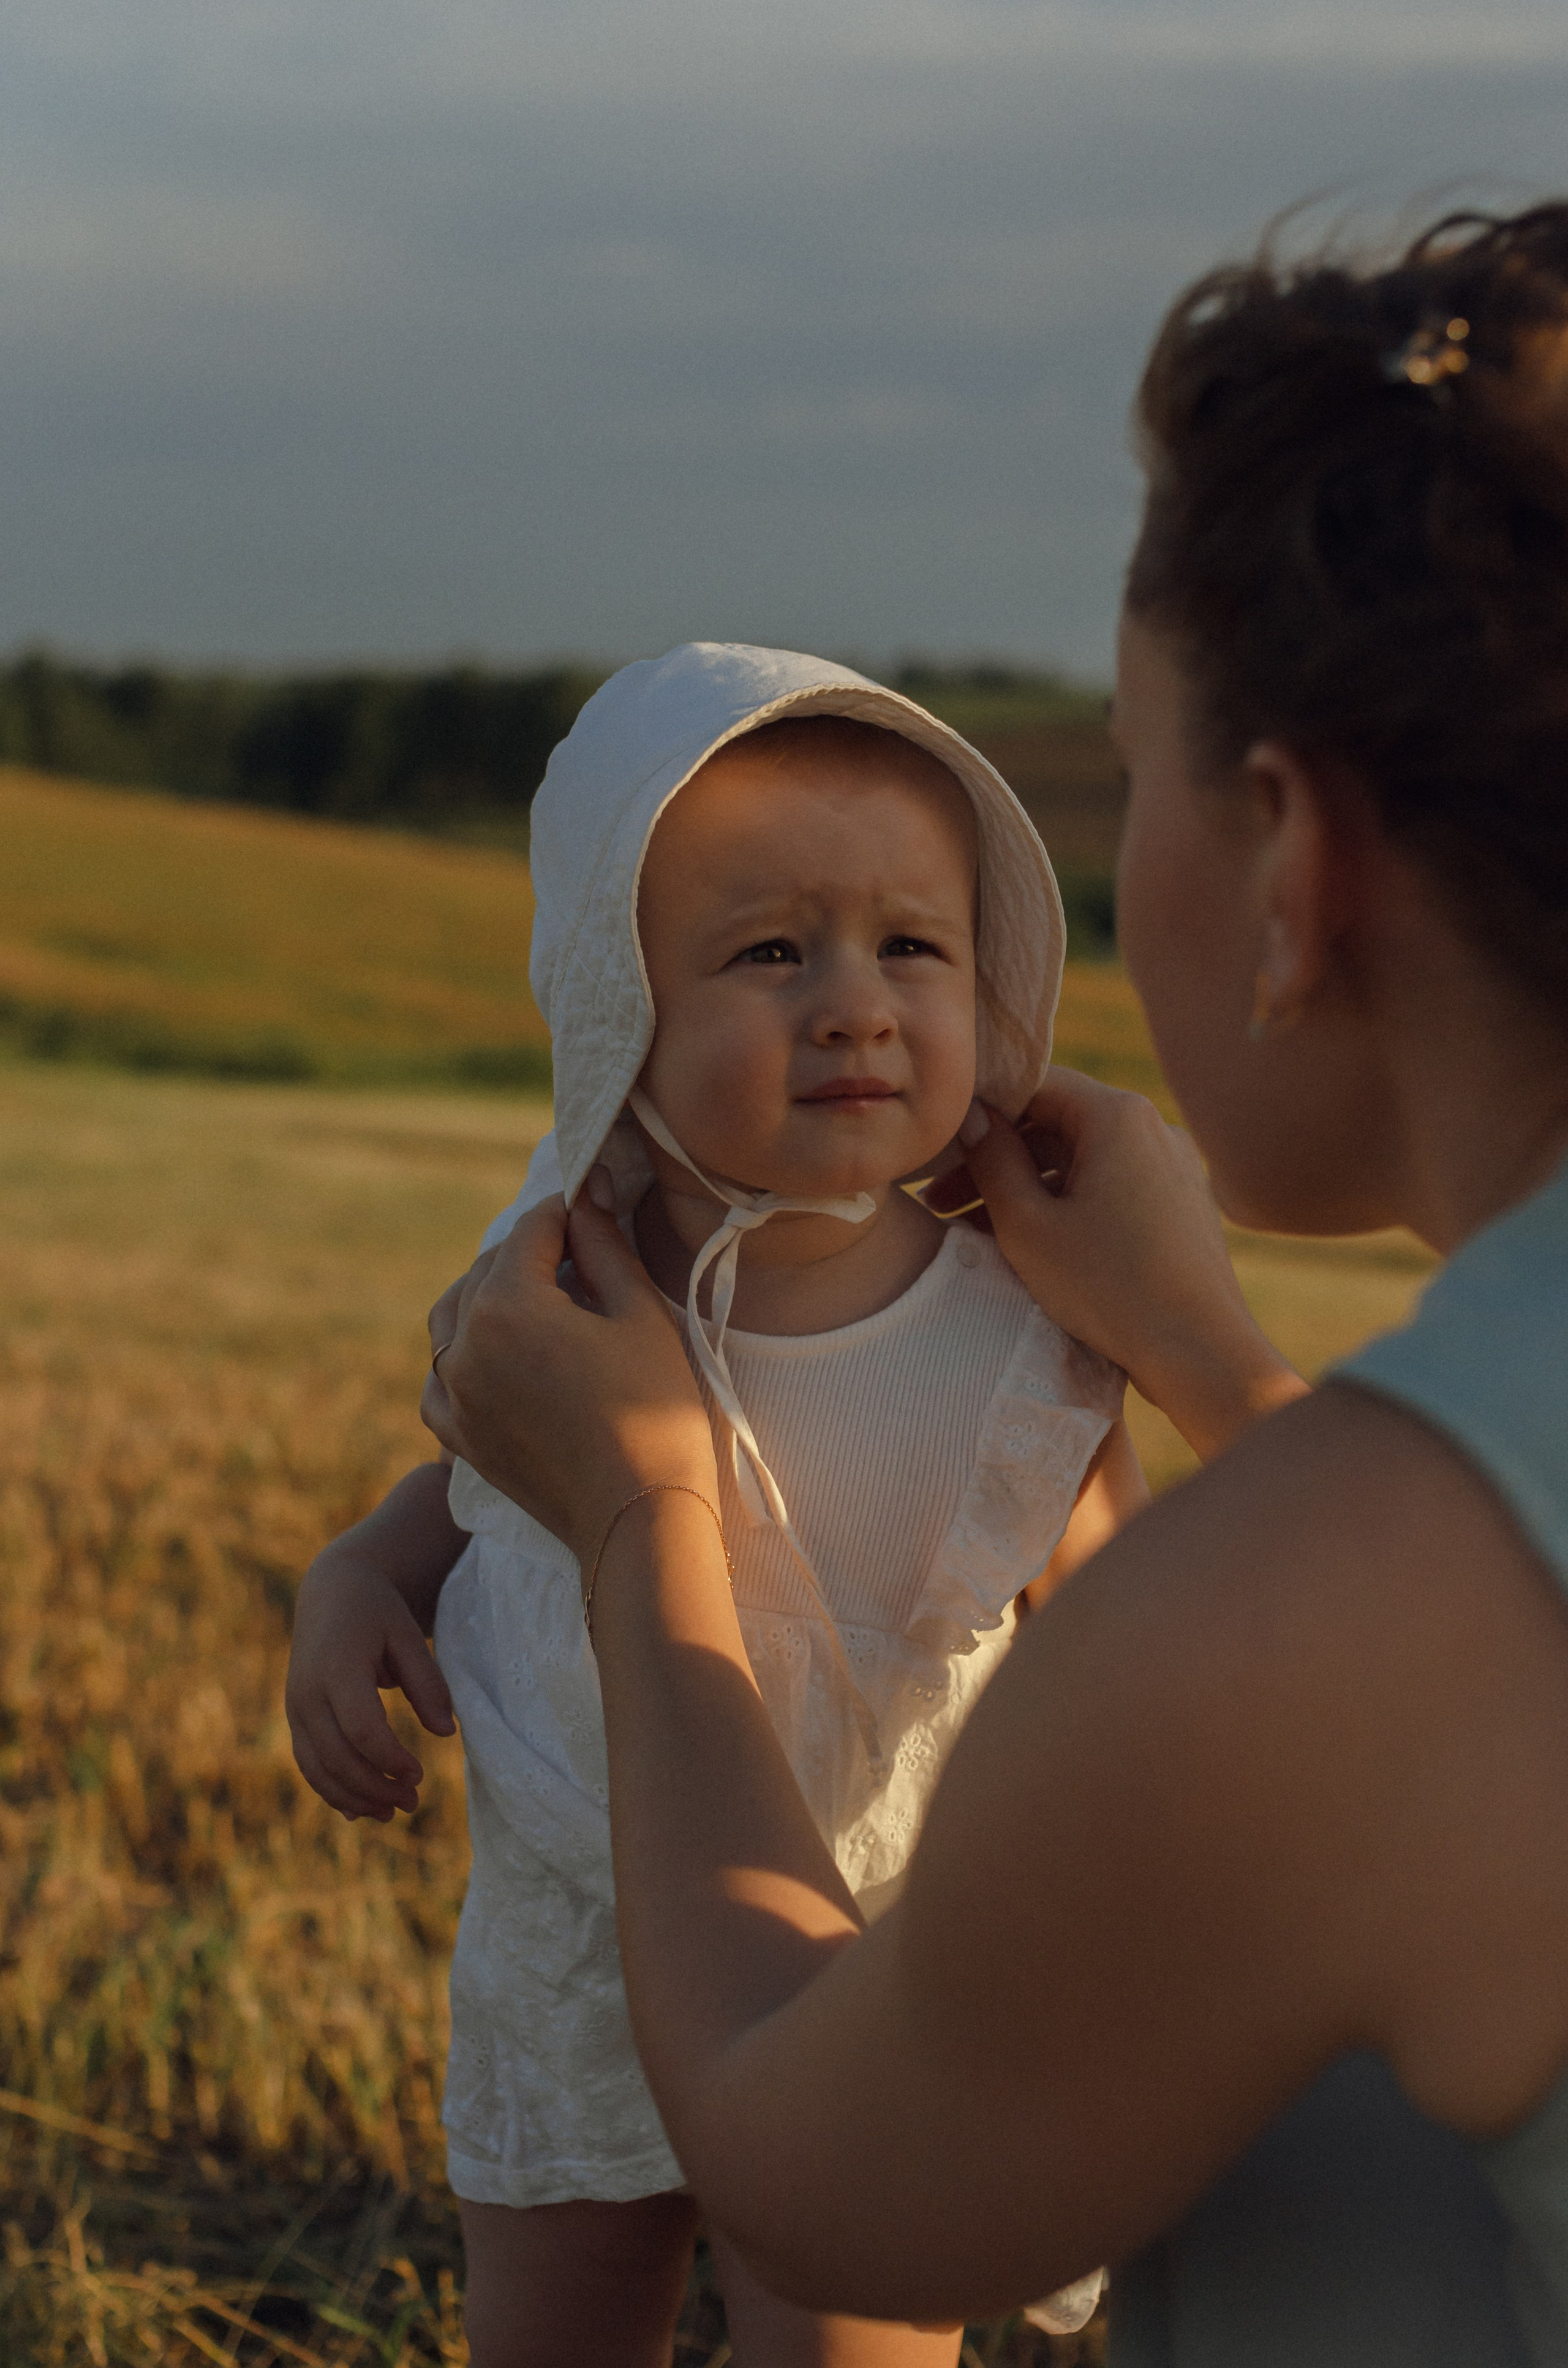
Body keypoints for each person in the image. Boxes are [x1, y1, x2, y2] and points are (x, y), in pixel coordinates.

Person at [420, 205, 1568, 2366]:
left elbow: (824, 2181)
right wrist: (1208, 1347)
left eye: (1128, 780)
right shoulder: (1412, 1539)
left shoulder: (1297, 1613)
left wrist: (648, 1513)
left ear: (1293, 873)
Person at [287, 641, 1147, 2366]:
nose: (854, 1000)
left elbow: (1119, 1645)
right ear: (614, 1002)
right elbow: (492, 1487)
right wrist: (362, 1569)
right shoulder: (567, 1280)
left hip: (881, 1970)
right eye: (771, 952)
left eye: (913, 944)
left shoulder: (1021, 1328)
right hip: (584, 1943)